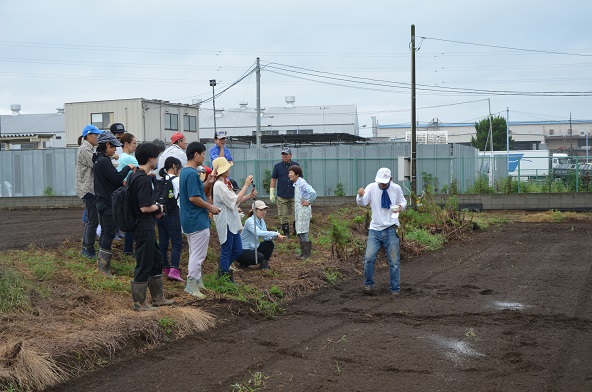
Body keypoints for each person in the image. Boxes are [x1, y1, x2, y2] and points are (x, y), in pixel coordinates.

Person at [128, 142, 174, 311]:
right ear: (151, 159)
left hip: (144, 225)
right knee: (144, 263)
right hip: (143, 226)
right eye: (156, 157)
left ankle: (158, 298)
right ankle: (139, 303)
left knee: (155, 260)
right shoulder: (142, 179)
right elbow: (145, 207)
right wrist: (158, 208)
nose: (157, 160)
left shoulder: (135, 175)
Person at [356, 167, 407, 296]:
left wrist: (401, 207)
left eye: (385, 182)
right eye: (380, 181)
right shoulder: (372, 188)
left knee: (394, 261)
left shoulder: (396, 189)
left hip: (391, 228)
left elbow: (403, 201)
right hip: (375, 229)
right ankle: (368, 284)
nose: (382, 184)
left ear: (390, 179)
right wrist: (360, 195)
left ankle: (395, 289)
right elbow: (362, 203)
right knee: (369, 258)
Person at [179, 142, 220, 299]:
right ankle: (191, 285)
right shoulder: (191, 174)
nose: (204, 157)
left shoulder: (186, 172)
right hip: (197, 220)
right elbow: (194, 197)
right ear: (196, 155)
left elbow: (194, 191)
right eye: (203, 154)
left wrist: (207, 183)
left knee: (194, 252)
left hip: (189, 219)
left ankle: (198, 281)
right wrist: (210, 207)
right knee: (197, 255)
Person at [93, 131, 135, 277]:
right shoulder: (104, 161)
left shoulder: (98, 159)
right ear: (107, 145)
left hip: (101, 200)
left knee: (105, 232)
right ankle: (103, 268)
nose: (115, 150)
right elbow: (116, 177)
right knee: (109, 233)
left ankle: (101, 266)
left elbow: (110, 179)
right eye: (113, 147)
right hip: (106, 202)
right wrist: (128, 167)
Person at [212, 157, 256, 283]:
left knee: (237, 250)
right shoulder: (219, 185)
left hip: (232, 221)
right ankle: (224, 276)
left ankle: (222, 271)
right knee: (227, 249)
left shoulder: (225, 183)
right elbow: (234, 200)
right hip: (225, 221)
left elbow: (235, 199)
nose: (229, 170)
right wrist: (246, 185)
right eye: (227, 168)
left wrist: (249, 195)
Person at [75, 124, 104, 259]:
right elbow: (96, 164)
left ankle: (87, 247)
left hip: (89, 189)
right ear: (88, 135)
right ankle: (88, 249)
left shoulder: (90, 149)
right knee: (93, 220)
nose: (97, 137)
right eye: (96, 135)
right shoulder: (84, 149)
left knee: (91, 220)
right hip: (87, 189)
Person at [157, 157, 184, 282]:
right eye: (178, 167)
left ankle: (165, 267)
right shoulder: (178, 180)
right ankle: (174, 270)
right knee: (176, 243)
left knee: (163, 242)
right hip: (173, 214)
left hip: (160, 214)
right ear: (174, 166)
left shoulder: (161, 179)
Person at [237, 200, 285, 270]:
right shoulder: (250, 221)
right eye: (261, 210)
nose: (264, 212)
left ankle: (264, 266)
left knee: (269, 244)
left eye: (265, 210)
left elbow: (265, 237)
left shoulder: (261, 220)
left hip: (253, 248)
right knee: (259, 257)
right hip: (243, 251)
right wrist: (275, 233)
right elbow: (258, 232)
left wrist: (274, 237)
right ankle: (244, 264)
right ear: (254, 210)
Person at [288, 165, 317, 259]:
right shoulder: (297, 183)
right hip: (299, 211)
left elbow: (313, 193)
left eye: (291, 173)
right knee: (299, 231)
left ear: (297, 174)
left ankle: (306, 254)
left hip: (303, 211)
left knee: (303, 231)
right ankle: (303, 253)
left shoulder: (302, 183)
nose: (289, 175)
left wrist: (308, 201)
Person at [270, 146, 299, 237]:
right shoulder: (277, 166)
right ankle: (286, 233)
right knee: (283, 214)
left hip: (294, 194)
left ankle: (296, 230)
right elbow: (273, 179)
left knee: (297, 213)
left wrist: (301, 192)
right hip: (282, 194)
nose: (284, 156)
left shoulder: (296, 166)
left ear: (290, 155)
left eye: (286, 154)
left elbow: (300, 179)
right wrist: (272, 191)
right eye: (283, 154)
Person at [117, 133, 138, 256]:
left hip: (123, 191)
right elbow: (143, 170)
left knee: (129, 219)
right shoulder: (130, 159)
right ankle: (129, 249)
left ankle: (128, 249)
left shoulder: (120, 157)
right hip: (131, 191)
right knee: (134, 221)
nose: (136, 146)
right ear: (126, 144)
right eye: (134, 143)